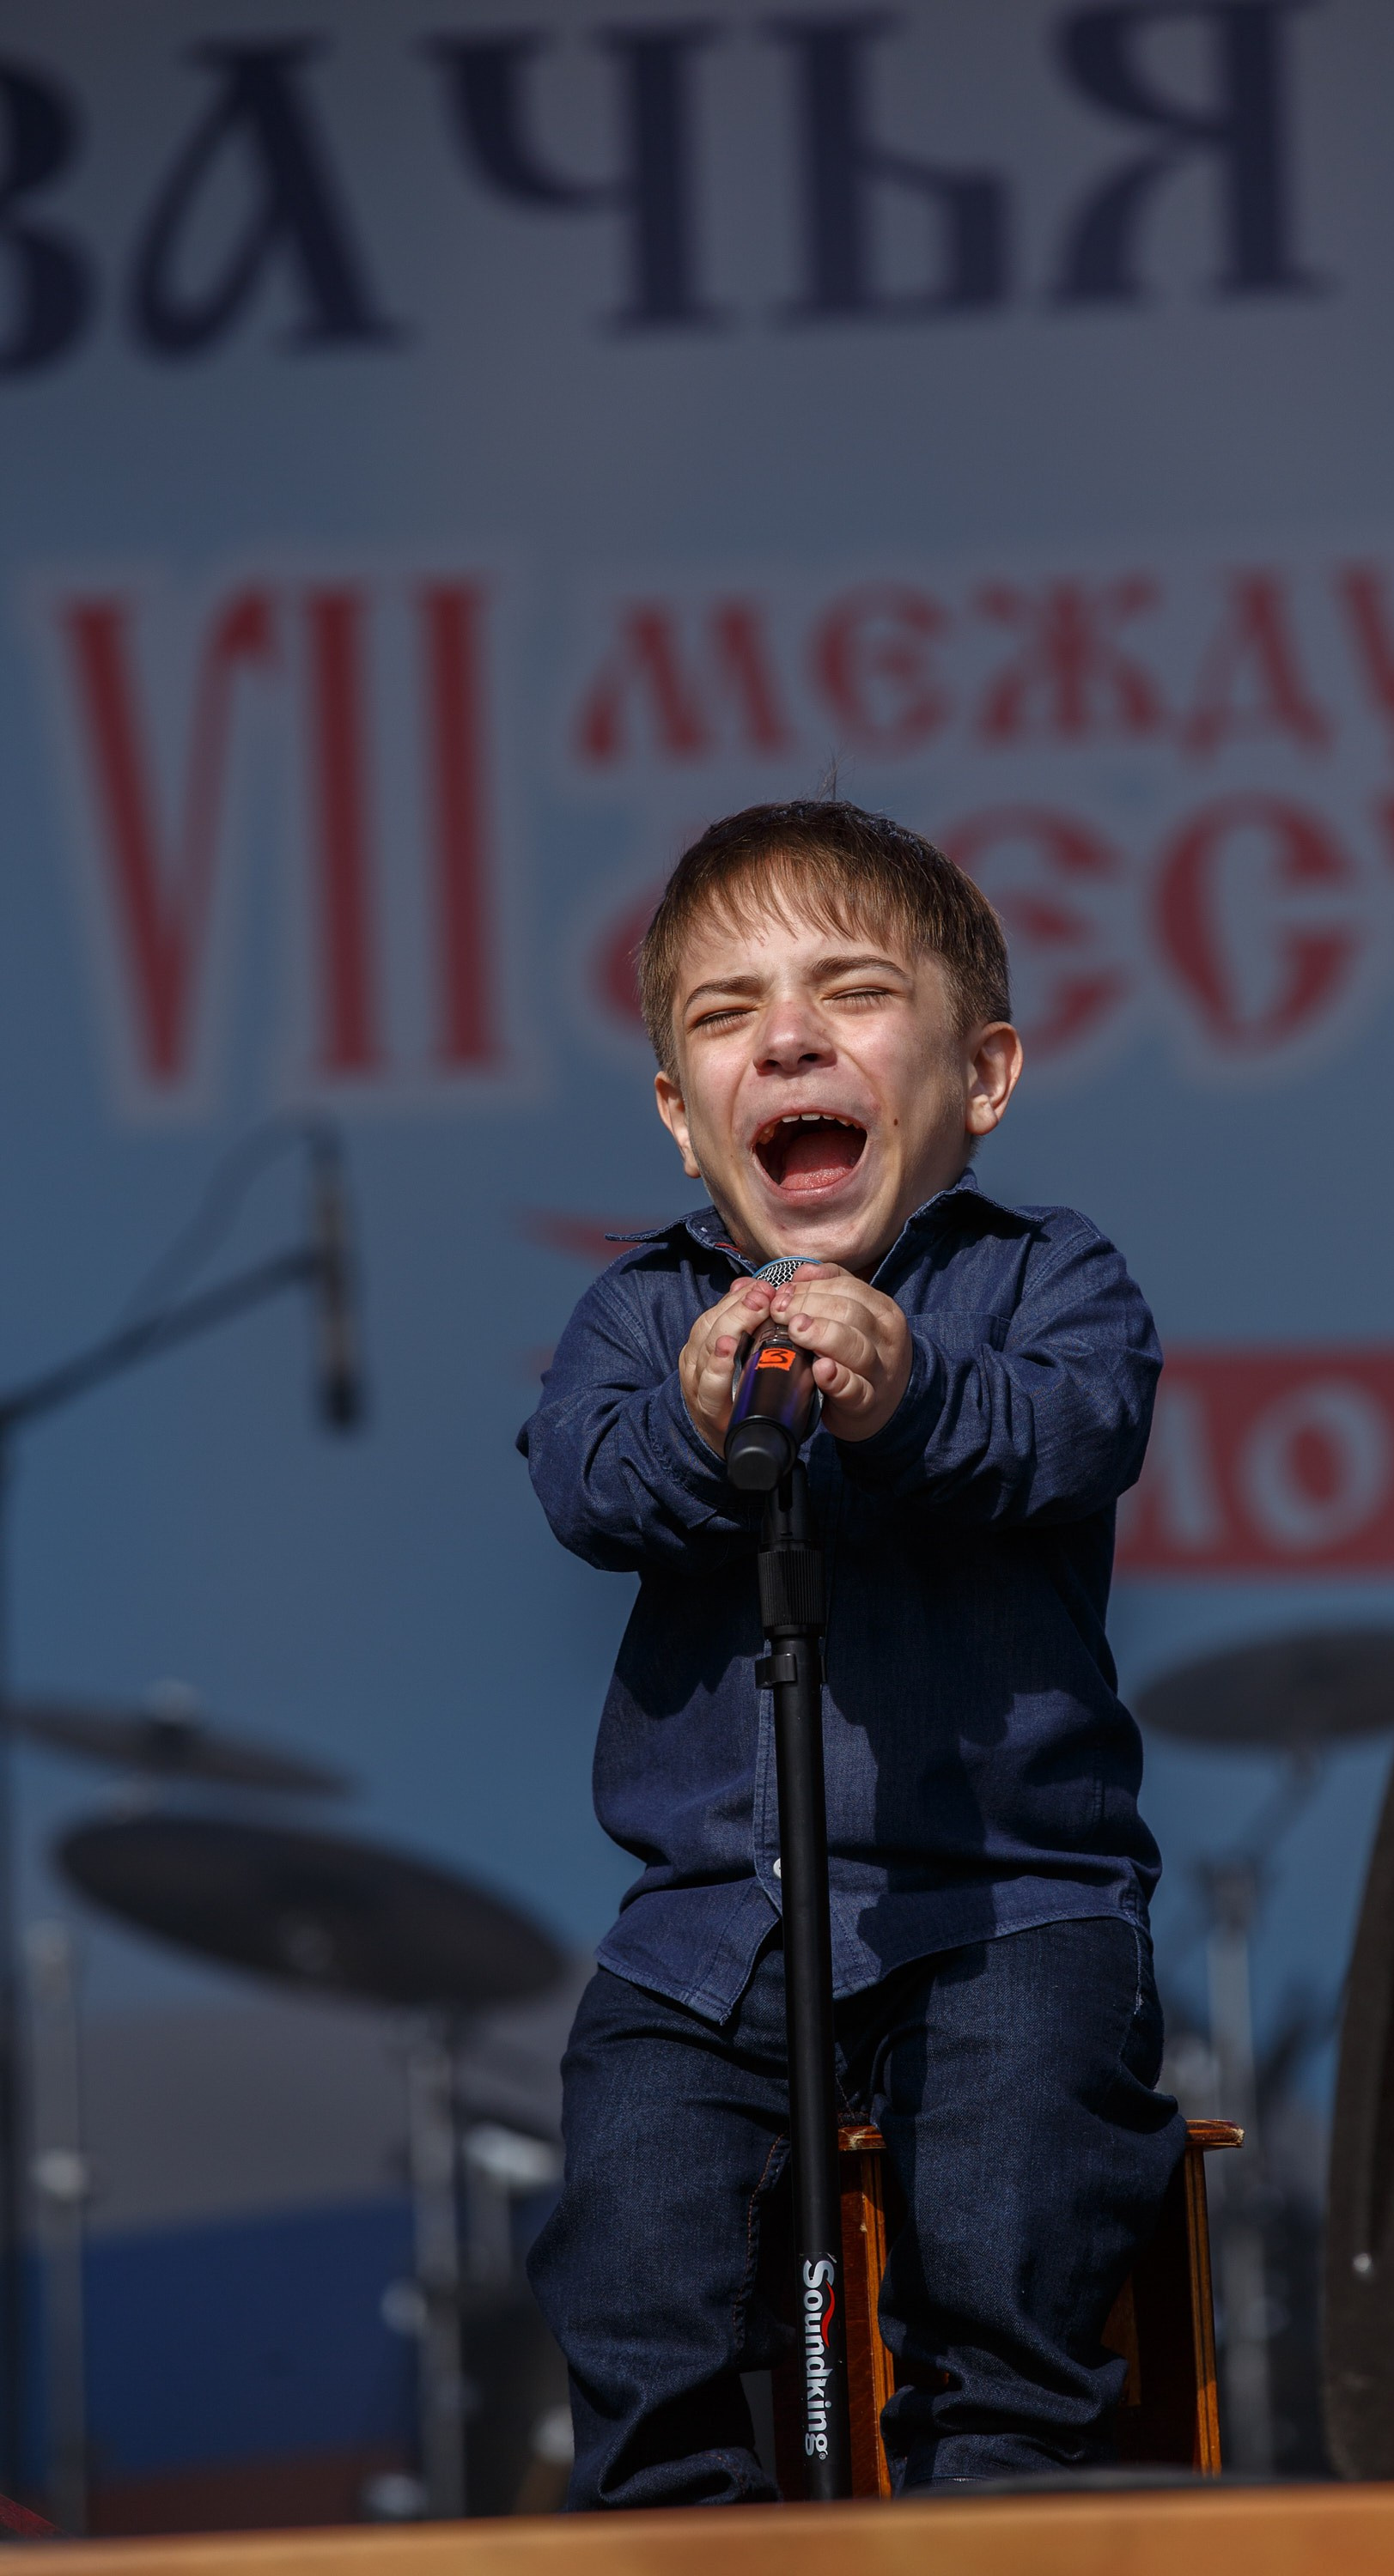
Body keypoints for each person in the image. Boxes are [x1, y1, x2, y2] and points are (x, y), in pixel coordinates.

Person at [520, 799, 1182, 2506]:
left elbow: (1072, 1429)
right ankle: (677, 2526)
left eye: (850, 993)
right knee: (632, 2224)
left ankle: (998, 2500)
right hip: (709, 1923)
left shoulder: (1051, 1281)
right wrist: (685, 1417)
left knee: (1011, 2211)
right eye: (726, 1017)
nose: (788, 1037)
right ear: (681, 1119)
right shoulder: (647, 1311)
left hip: (1004, 1895)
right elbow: (582, 1484)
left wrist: (907, 1392)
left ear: (984, 1075)